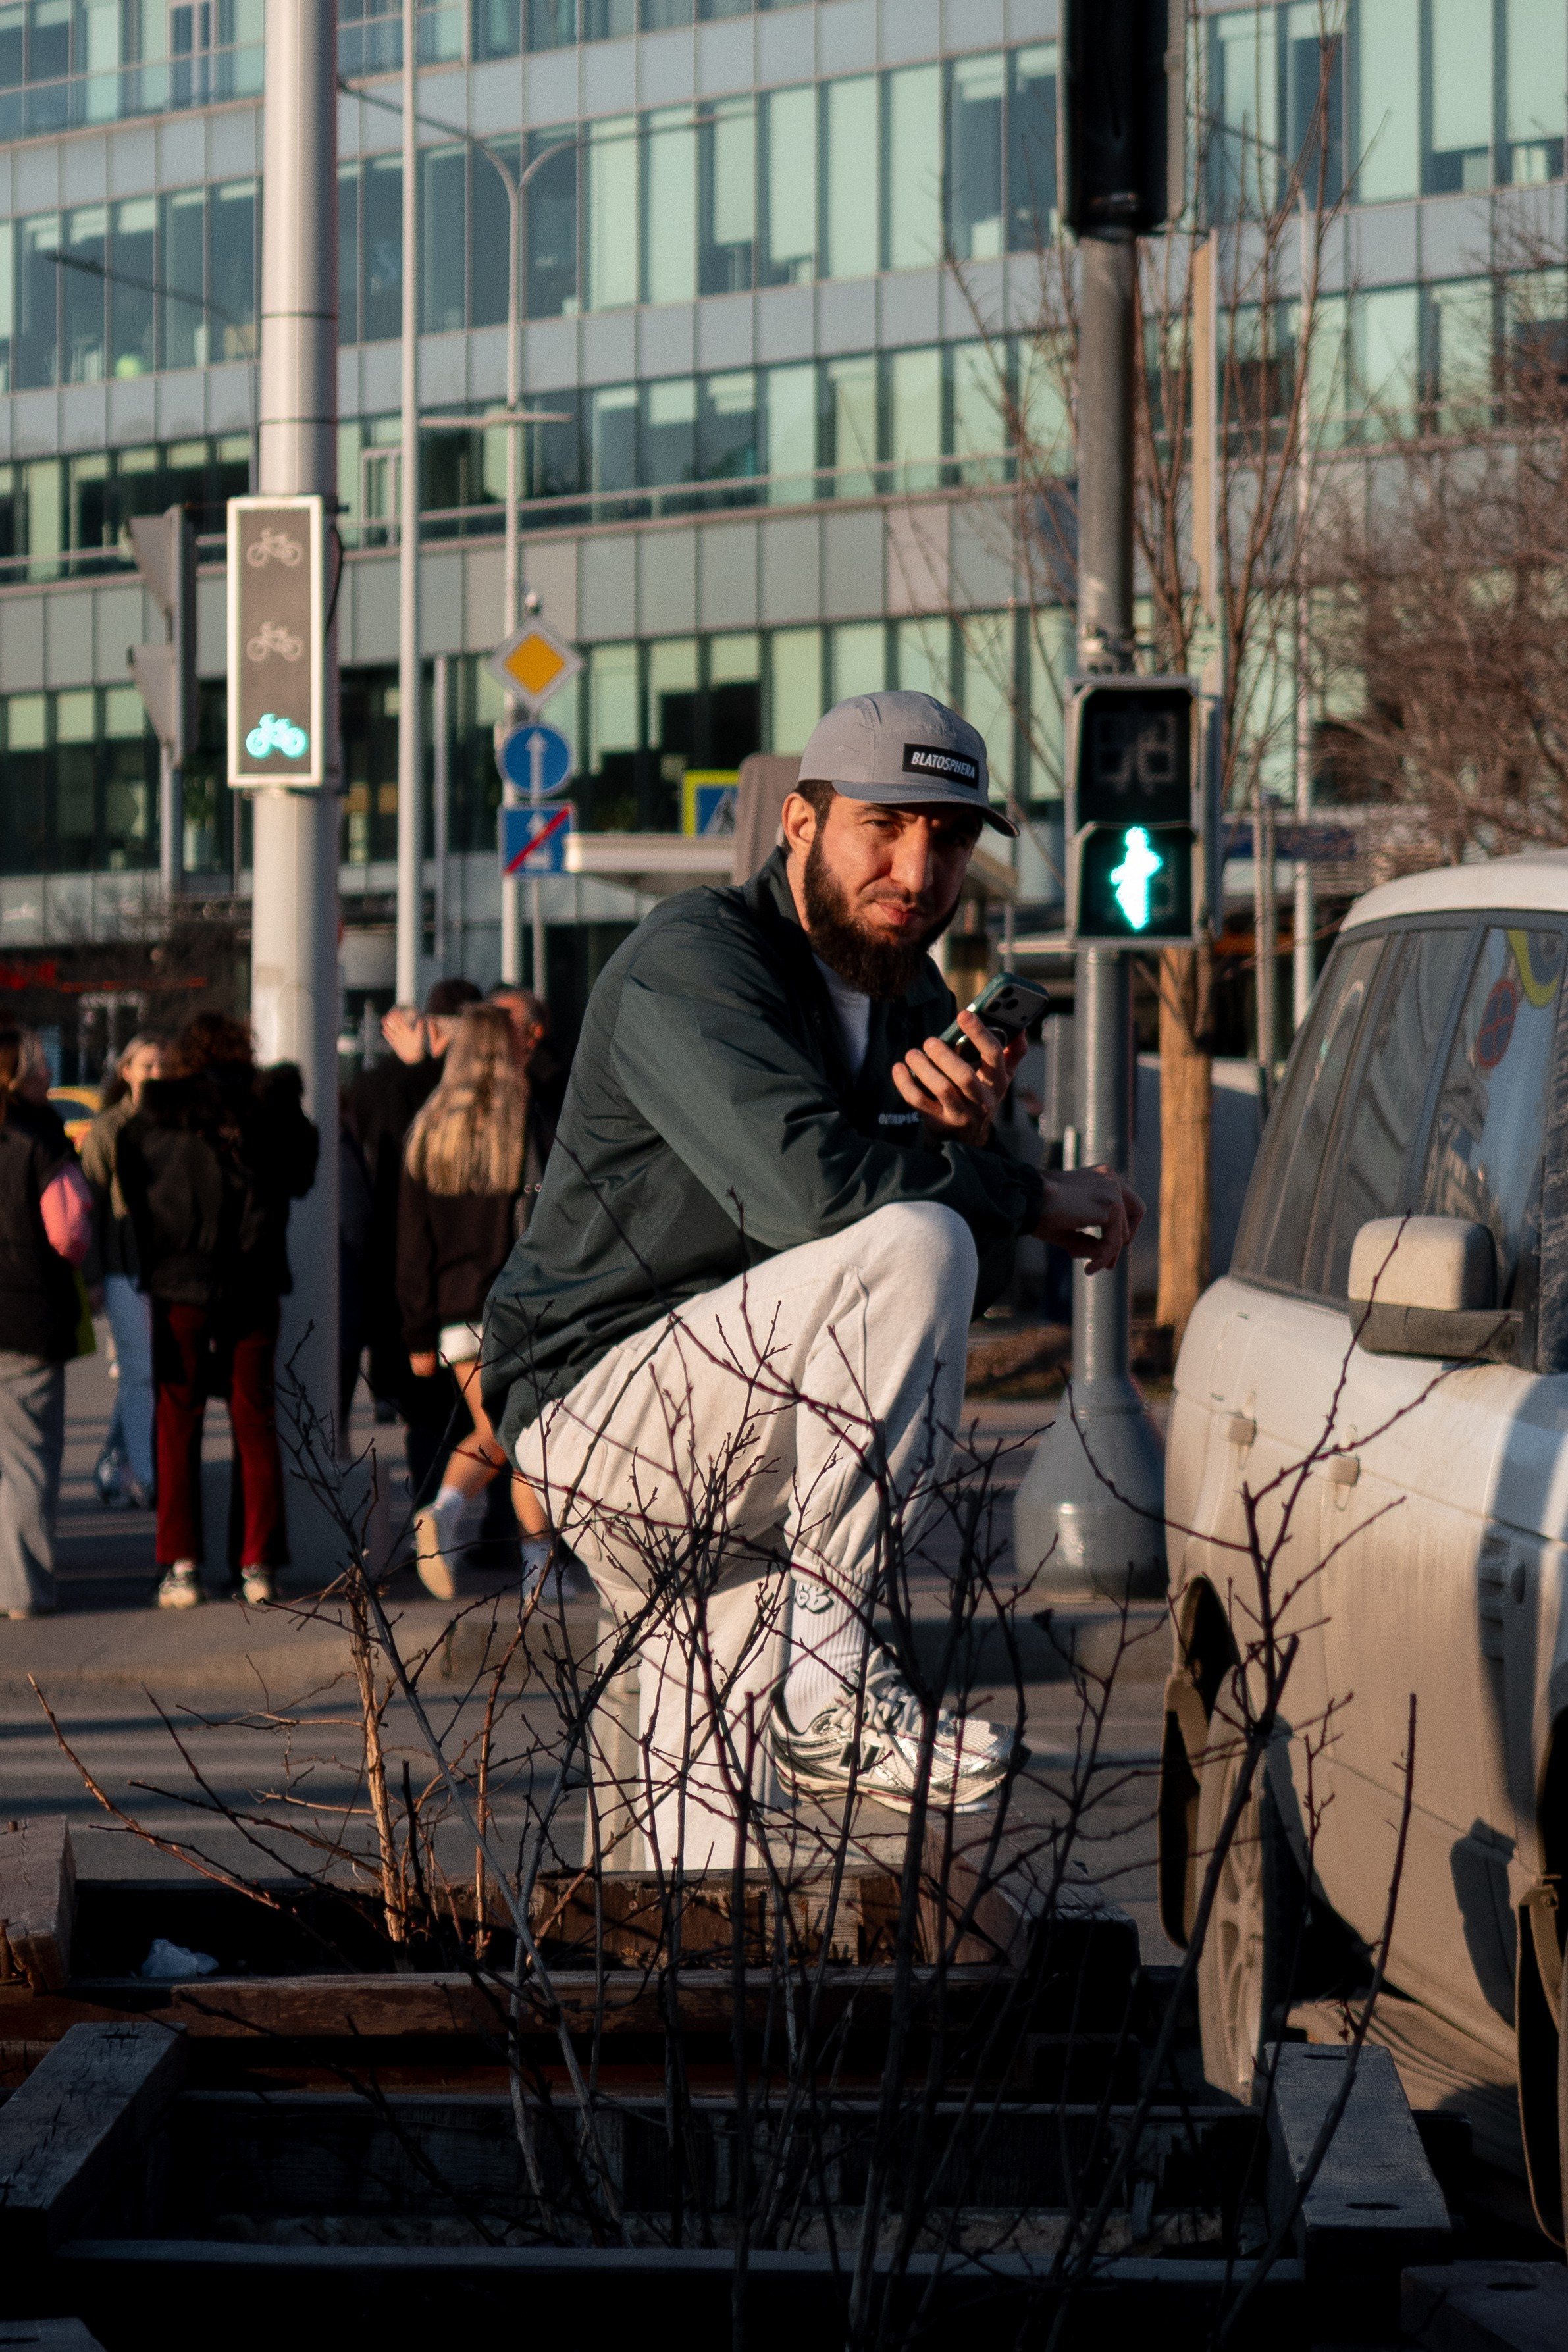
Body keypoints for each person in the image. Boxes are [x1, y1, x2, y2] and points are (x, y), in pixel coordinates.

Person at [482, 691, 1142, 1865]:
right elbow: (817, 1200)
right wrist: (1020, 1192)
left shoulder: (915, 1000)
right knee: (915, 1235)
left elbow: (945, 1293)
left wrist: (976, 1144)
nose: (917, 866)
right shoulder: (692, 961)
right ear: (798, 821)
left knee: (717, 1873)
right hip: (602, 1404)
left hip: (752, 1451)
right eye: (882, 826)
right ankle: (829, 1687)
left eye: (947, 837)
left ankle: (661, 2020)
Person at [117, 1012, 319, 1610]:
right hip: (252, 1283)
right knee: (254, 1419)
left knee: (177, 1419)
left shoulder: (156, 1117)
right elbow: (303, 1174)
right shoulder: (270, 1108)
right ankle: (256, 1564)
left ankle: (181, 1565)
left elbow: (133, 1191)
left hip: (178, 1284)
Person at [397, 1004, 551, 1601]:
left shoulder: (430, 1128)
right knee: (520, 1435)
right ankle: (454, 1514)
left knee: (507, 1431)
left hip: (455, 1313)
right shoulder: (526, 1122)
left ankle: (464, 1521)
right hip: (521, 1303)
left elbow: (411, 1241)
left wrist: (416, 1332)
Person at [343, 977, 481, 1483]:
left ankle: (449, 1515)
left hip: (438, 1272)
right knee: (435, 1412)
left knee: (458, 1414)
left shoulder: (473, 1086)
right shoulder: (391, 1086)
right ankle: (438, 1516)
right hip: (419, 1273)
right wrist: (420, 1068)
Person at [0, 1027, 93, 1619]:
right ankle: (23, 1590)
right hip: (26, 1312)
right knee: (28, 1456)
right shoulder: (39, 1137)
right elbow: (69, 1230)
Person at [80, 1034, 165, 1510]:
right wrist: (92, 1274)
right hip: (121, 1268)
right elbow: (90, 1205)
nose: (155, 1075)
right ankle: (146, 1476)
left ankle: (116, 1463)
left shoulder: (176, 1123)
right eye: (147, 1066)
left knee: (143, 1372)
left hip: (162, 1268)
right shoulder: (108, 1129)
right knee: (140, 1371)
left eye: (161, 1067)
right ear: (127, 1070)